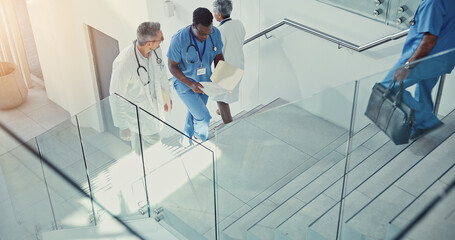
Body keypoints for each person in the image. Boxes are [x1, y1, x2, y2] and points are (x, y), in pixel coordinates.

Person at [381, 0, 455, 141]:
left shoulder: (432, 3)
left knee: (387, 87)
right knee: (424, 90)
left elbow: (429, 41)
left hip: (425, 58)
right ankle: (420, 127)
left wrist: (408, 65)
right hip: (444, 57)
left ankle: (427, 121)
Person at [110, 22, 172, 153]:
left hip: (152, 109)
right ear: (149, 43)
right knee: (155, 148)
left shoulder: (156, 51)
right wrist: (122, 126)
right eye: (160, 39)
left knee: (139, 151)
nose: (161, 42)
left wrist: (167, 96)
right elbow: (116, 96)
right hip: (136, 112)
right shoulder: (124, 63)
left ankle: (143, 169)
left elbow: (162, 74)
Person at [167, 7, 224, 143]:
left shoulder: (215, 34)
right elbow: (172, 66)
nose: (205, 36)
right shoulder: (179, 39)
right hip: (184, 84)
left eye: (208, 33)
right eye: (202, 33)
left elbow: (218, 55)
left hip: (205, 83)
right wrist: (191, 84)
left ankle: (186, 140)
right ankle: (201, 140)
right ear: (193, 26)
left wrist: (221, 75)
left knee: (195, 113)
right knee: (203, 116)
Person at [212, 0, 246, 124]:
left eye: (214, 12)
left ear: (219, 15)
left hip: (227, 67)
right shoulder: (239, 24)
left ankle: (228, 124)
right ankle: (222, 112)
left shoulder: (219, 31)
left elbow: (218, 52)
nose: (214, 14)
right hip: (240, 64)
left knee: (220, 97)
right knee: (223, 95)